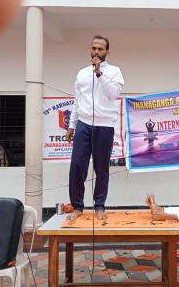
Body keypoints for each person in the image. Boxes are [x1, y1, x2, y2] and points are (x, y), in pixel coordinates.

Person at [66, 35, 124, 220]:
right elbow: (77, 101)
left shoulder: (114, 71)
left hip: (104, 126)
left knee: (101, 168)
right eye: (94, 48)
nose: (96, 52)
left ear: (107, 51)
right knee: (77, 166)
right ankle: (77, 206)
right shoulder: (82, 73)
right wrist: (71, 126)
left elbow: (113, 94)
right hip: (83, 124)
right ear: (90, 50)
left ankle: (99, 205)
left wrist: (99, 74)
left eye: (100, 49)